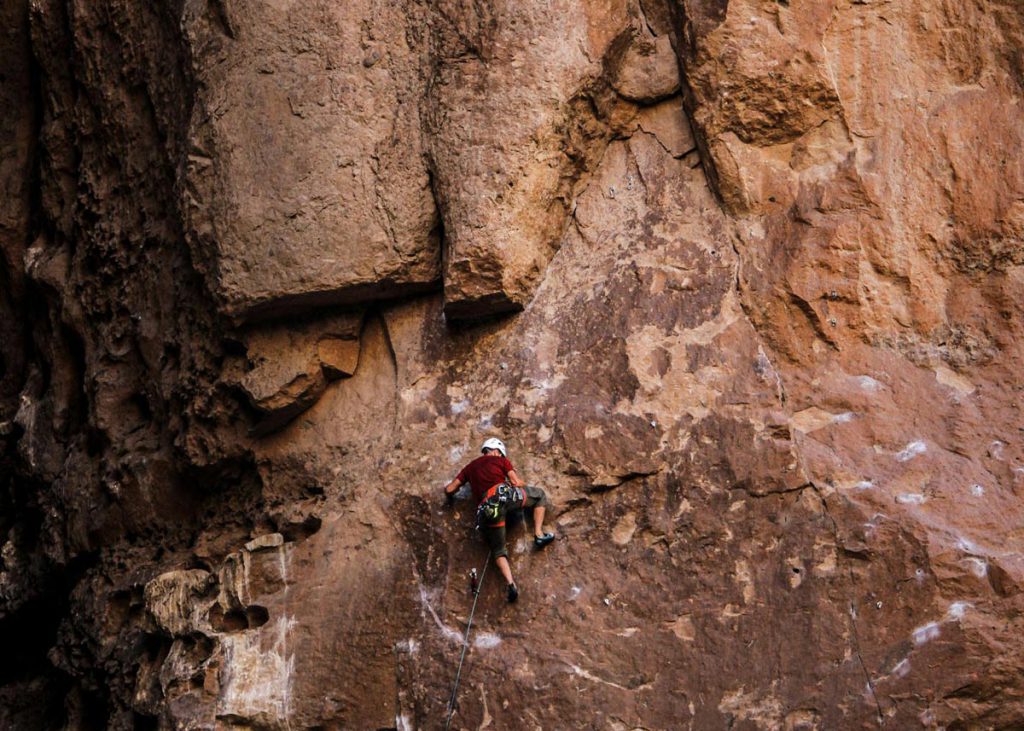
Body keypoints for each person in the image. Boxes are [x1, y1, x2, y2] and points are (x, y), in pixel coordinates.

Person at [443, 437, 554, 602]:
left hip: (487, 510)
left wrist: (448, 494)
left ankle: (511, 584)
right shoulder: (501, 461)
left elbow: (450, 489)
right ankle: (538, 535)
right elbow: (516, 482)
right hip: (504, 497)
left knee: (498, 550)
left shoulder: (470, 468)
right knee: (539, 496)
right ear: (496, 451)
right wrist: (519, 482)